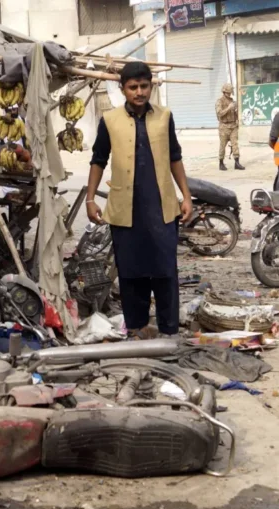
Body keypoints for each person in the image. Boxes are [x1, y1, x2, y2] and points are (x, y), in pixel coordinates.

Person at [85, 62, 193, 338]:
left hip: (161, 208)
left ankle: (169, 331)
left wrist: (186, 196)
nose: (139, 92)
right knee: (131, 272)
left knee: (165, 271)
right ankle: (137, 328)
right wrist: (90, 199)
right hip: (125, 210)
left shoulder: (164, 117)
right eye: (133, 87)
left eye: (144, 86)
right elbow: (98, 160)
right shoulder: (109, 121)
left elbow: (175, 157)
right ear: (123, 89)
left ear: (151, 86)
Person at [215, 84, 244, 171]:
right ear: (224, 92)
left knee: (235, 144)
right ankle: (221, 163)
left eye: (230, 93)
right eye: (228, 93)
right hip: (224, 126)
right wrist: (229, 108)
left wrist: (237, 117)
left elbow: (235, 113)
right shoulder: (219, 101)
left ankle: (237, 163)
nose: (229, 94)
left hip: (233, 126)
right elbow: (219, 113)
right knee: (222, 146)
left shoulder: (232, 101)